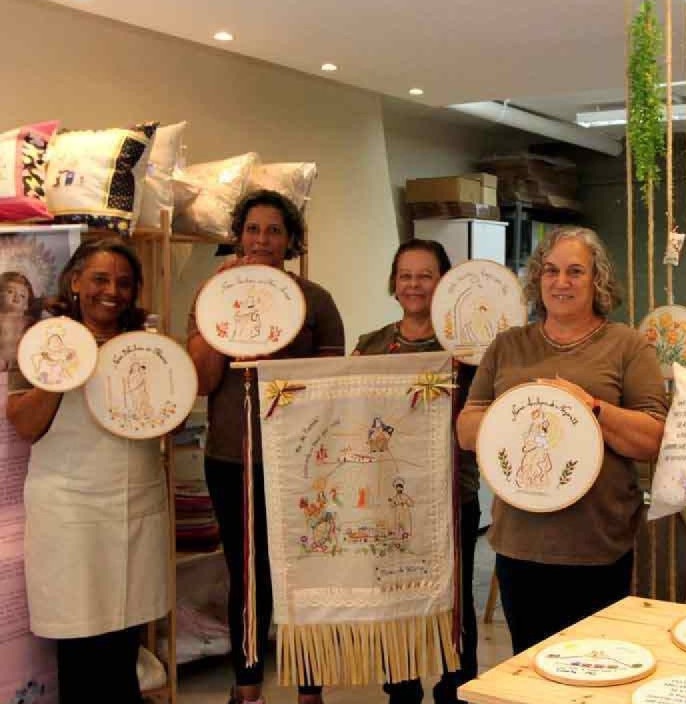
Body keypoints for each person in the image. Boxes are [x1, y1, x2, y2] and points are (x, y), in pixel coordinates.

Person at [456, 226, 668, 654]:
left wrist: (589, 407)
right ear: (537, 279)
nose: (561, 282)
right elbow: (466, 429)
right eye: (550, 271)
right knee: (530, 673)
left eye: (575, 271)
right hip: (520, 544)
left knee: (597, 669)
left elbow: (652, 438)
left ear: (598, 281)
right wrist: (527, 414)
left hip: (597, 546)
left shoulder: (627, 346)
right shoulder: (508, 346)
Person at [187, 190, 345, 704]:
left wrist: (278, 345)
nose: (262, 240)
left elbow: (330, 391)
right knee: (246, 576)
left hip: (300, 463)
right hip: (231, 457)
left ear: (291, 241)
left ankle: (309, 690)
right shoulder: (211, 295)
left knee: (305, 572)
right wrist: (219, 307)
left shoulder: (316, 300)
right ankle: (247, 685)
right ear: (238, 236)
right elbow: (204, 382)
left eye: (274, 230)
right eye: (252, 229)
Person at [7, 239, 168, 703]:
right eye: (100, 278)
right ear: (75, 281)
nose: (111, 291)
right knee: (79, 643)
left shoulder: (145, 346)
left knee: (124, 643)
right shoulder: (42, 342)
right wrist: (63, 371)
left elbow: (168, 415)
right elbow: (26, 426)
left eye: (123, 282)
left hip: (135, 502)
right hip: (69, 511)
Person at [351, 238, 481, 704]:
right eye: (405, 275)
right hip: (389, 498)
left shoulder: (466, 349)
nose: (414, 285)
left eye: (425, 275)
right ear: (393, 283)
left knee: (453, 601)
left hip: (452, 493)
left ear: (443, 282)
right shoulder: (369, 346)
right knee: (395, 596)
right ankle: (401, 690)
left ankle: (455, 689)